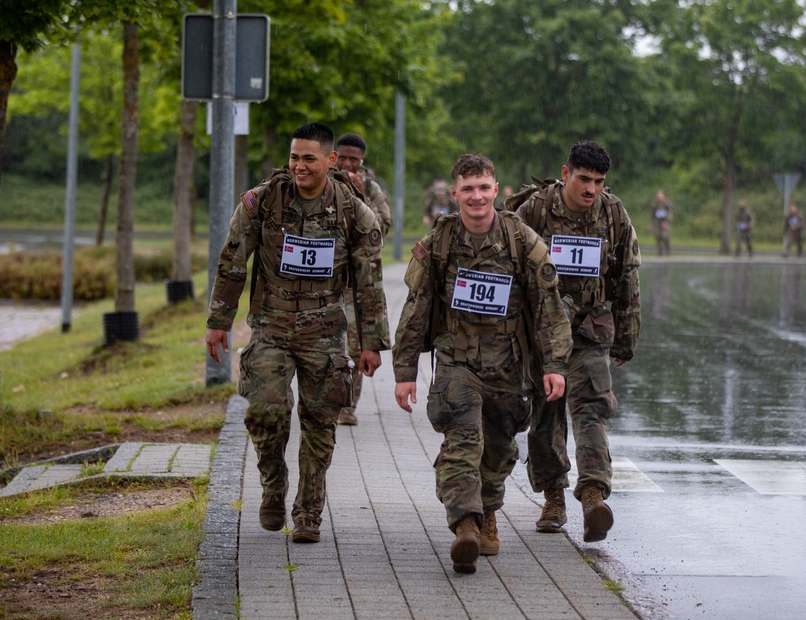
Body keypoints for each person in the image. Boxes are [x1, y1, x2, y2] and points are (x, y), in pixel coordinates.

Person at [206, 122, 390, 544]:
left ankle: (309, 510)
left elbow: (369, 283)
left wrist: (370, 343)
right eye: (294, 157)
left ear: (329, 160)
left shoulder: (354, 211)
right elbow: (233, 260)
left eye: (309, 158)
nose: (299, 166)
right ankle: (273, 485)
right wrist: (218, 322)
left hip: (325, 330)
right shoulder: (263, 201)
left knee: (321, 421)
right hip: (271, 324)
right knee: (264, 410)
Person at [393, 153, 571, 575]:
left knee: (497, 452)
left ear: (496, 190)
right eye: (467, 189)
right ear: (454, 194)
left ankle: (487, 510)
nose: (476, 196)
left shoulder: (521, 240)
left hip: (508, 366)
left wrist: (555, 365)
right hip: (457, 363)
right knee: (462, 442)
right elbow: (415, 308)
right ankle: (466, 526)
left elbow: (548, 308)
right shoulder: (439, 241)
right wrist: (404, 373)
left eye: (484, 187)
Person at [514, 141, 641, 543]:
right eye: (584, 179)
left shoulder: (613, 213)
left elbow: (627, 275)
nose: (591, 190)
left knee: (592, 411)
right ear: (566, 174)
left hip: (590, 329)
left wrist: (626, 337)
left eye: (599, 182)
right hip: (542, 332)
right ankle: (553, 498)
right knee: (546, 415)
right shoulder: (533, 210)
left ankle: (592, 497)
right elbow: (510, 270)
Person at [334, 132, 391, 427]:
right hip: (326, 283)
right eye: (341, 157)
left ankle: (347, 405)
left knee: (355, 348)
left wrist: (362, 200)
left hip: (355, 284)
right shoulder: (321, 182)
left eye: (352, 159)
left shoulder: (371, 188)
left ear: (362, 161)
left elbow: (383, 228)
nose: (346, 163)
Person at [649, 190, 673, 256]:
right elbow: (652, 214)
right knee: (658, 237)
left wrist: (666, 221)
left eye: (661, 197)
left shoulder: (667, 204)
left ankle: (668, 253)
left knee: (665, 237)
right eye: (658, 197)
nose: (660, 198)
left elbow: (670, 213)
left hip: (665, 222)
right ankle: (659, 253)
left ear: (664, 196)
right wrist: (650, 223)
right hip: (658, 223)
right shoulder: (655, 204)